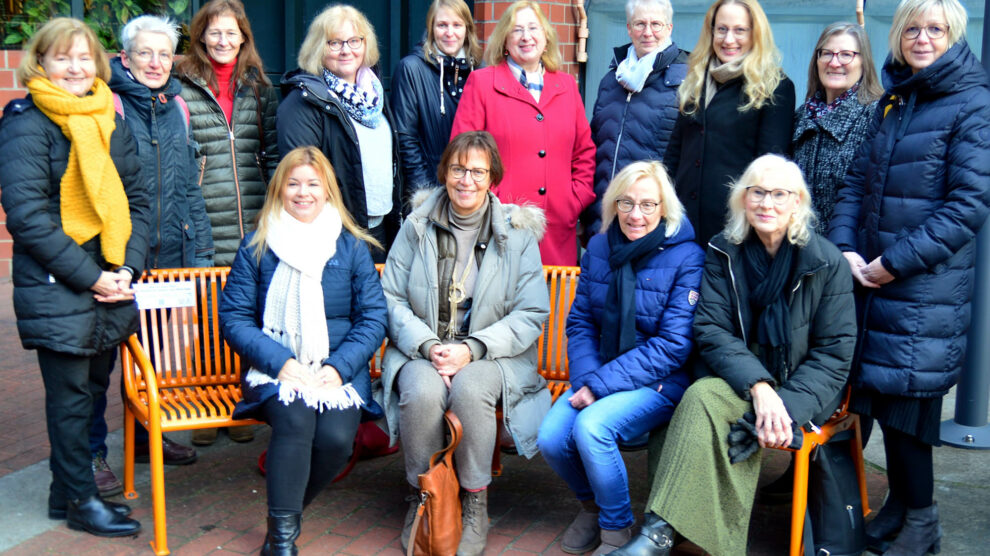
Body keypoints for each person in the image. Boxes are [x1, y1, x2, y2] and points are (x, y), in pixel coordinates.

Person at [611, 154, 856, 556]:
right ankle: (673, 537)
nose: (767, 203)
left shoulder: (826, 263)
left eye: (780, 194)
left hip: (804, 389)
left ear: (798, 202)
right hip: (738, 379)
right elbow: (711, 328)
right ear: (743, 199)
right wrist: (759, 389)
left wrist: (784, 406)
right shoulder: (724, 251)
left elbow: (834, 355)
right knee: (702, 397)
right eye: (757, 192)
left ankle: (659, 536)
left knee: (704, 403)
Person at [827, 0, 990, 553]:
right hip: (873, 281)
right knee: (880, 402)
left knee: (907, 414)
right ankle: (900, 505)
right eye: (912, 29)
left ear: (954, 35)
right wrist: (845, 248)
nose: (922, 38)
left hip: (923, 289)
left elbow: (967, 207)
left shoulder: (972, 103)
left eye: (935, 29)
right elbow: (855, 183)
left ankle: (923, 521)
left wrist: (891, 263)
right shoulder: (895, 100)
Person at [0, 17, 149, 537]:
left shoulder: (109, 119)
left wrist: (127, 267)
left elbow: (139, 201)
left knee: (91, 388)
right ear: (39, 62)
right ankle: (82, 501)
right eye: (62, 58)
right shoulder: (26, 123)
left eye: (84, 58)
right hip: (61, 285)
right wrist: (92, 277)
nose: (75, 67)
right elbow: (27, 217)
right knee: (69, 399)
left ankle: (64, 495)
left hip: (112, 278)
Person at [378, 131, 551, 555]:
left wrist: (471, 349)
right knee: (420, 391)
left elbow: (531, 313)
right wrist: (426, 345)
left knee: (471, 389)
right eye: (458, 169)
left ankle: (475, 499)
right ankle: (426, 496)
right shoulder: (415, 227)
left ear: (492, 176)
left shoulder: (517, 233)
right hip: (424, 348)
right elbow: (390, 297)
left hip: (494, 354)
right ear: (445, 172)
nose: (466, 180)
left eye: (477, 171)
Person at [219, 146, 387, 555]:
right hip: (277, 370)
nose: (303, 193)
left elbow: (373, 318)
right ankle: (281, 542)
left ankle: (284, 516)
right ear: (279, 190)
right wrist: (281, 363)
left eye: (312, 184)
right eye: (293, 184)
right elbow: (234, 318)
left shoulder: (350, 248)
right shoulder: (258, 245)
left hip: (337, 372)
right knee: (295, 423)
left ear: (327, 191)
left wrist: (339, 367)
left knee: (334, 441)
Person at [538, 161, 704, 555]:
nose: (636, 215)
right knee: (551, 438)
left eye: (648, 205)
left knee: (592, 428)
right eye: (626, 203)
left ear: (664, 208)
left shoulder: (686, 257)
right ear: (613, 204)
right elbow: (580, 323)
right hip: (600, 371)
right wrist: (588, 378)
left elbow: (673, 346)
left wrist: (598, 387)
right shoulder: (598, 247)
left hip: (659, 381)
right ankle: (591, 508)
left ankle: (616, 530)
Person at [80, 14, 209, 496]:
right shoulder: (106, 103)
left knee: (156, 359)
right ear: (124, 58)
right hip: (115, 260)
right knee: (99, 363)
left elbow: (188, 190)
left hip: (169, 257)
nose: (155, 63)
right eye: (144, 53)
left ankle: (142, 435)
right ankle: (92, 452)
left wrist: (198, 259)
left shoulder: (177, 106)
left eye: (163, 53)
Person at [176, 0, 279, 446]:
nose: (223, 41)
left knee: (248, 312)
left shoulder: (259, 87)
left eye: (231, 33)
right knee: (205, 314)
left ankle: (239, 399)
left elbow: (273, 151)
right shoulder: (182, 85)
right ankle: (204, 407)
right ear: (201, 37)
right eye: (214, 33)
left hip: (255, 214)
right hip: (204, 215)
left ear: (243, 38)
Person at [450, 0, 595, 266]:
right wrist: (493, 204)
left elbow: (584, 152)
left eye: (533, 28)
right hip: (500, 228)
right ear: (505, 40)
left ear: (546, 38)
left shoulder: (566, 85)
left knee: (555, 304)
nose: (526, 37)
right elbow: (462, 155)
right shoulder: (482, 84)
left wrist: (573, 201)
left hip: (557, 230)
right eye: (516, 30)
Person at [664, 0, 795, 247]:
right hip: (682, 222)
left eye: (739, 30)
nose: (728, 39)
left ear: (755, 33)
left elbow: (769, 169)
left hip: (735, 229)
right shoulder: (696, 79)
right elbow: (675, 152)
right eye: (721, 29)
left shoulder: (775, 87)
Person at [278, 4, 403, 261]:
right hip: (334, 234)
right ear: (318, 49)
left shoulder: (374, 95)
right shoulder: (303, 102)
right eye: (334, 43)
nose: (346, 50)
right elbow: (299, 178)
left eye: (354, 41)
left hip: (379, 227)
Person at [583, 0, 687, 242]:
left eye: (656, 24)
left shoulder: (687, 83)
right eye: (640, 24)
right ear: (629, 28)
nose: (648, 32)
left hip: (652, 223)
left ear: (669, 28)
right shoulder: (611, 80)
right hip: (605, 218)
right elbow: (595, 148)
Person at [791, 22, 883, 233]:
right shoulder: (801, 116)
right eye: (827, 54)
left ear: (864, 62)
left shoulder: (877, 115)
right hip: (799, 251)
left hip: (851, 253)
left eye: (846, 54)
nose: (834, 62)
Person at [391, 0, 481, 191]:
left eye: (457, 25)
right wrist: (426, 196)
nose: (450, 33)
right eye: (442, 25)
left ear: (467, 29)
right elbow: (406, 140)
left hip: (470, 190)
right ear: (431, 28)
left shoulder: (480, 71)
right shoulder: (411, 69)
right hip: (428, 190)